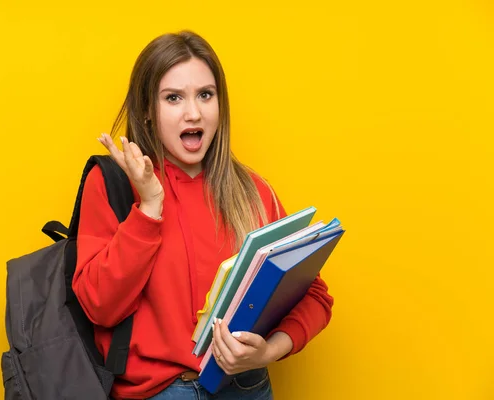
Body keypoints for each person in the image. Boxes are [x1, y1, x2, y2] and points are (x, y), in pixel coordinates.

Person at [72, 30, 334, 400]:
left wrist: (269, 351)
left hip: (246, 387)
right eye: (173, 98)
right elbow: (100, 306)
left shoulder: (254, 192)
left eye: (205, 95)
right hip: (158, 393)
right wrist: (148, 208)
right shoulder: (113, 184)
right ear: (148, 110)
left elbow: (314, 295)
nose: (193, 112)